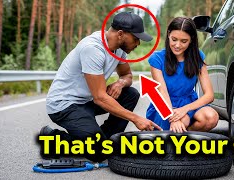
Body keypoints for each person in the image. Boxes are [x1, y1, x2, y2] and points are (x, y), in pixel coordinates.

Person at [40, 11, 162, 162]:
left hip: (86, 101)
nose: (138, 43)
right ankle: (53, 138)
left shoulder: (120, 50)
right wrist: (136, 118)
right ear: (121, 34)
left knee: (130, 94)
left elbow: (127, 76)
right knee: (98, 153)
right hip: (64, 105)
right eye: (136, 38)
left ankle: (107, 141)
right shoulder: (93, 49)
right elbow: (99, 98)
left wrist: (120, 82)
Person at [146, 17, 219, 133]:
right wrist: (173, 118)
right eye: (174, 39)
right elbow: (162, 92)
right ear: (169, 35)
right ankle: (177, 137)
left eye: (184, 41)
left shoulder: (198, 57)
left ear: (191, 40)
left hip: (188, 103)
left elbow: (209, 95)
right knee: (182, 120)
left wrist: (185, 109)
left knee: (211, 117)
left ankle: (186, 134)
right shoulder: (157, 59)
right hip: (165, 105)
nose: (177, 45)